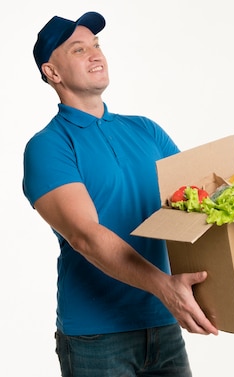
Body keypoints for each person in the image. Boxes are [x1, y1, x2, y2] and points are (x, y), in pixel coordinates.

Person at [22, 11, 218, 376]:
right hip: (96, 337)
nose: (96, 55)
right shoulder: (48, 147)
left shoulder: (146, 130)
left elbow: (199, 201)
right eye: (79, 50)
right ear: (52, 72)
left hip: (163, 323)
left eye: (97, 46)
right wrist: (165, 287)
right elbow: (85, 236)